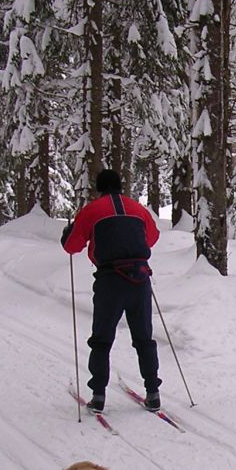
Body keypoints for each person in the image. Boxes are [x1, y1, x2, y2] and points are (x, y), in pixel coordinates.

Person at [62, 169, 162, 412]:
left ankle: (98, 396)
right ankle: (153, 392)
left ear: (99, 187)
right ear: (120, 186)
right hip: (140, 278)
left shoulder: (92, 211)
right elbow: (152, 238)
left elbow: (72, 246)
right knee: (144, 338)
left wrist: (68, 233)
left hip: (110, 280)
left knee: (102, 339)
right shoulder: (138, 209)